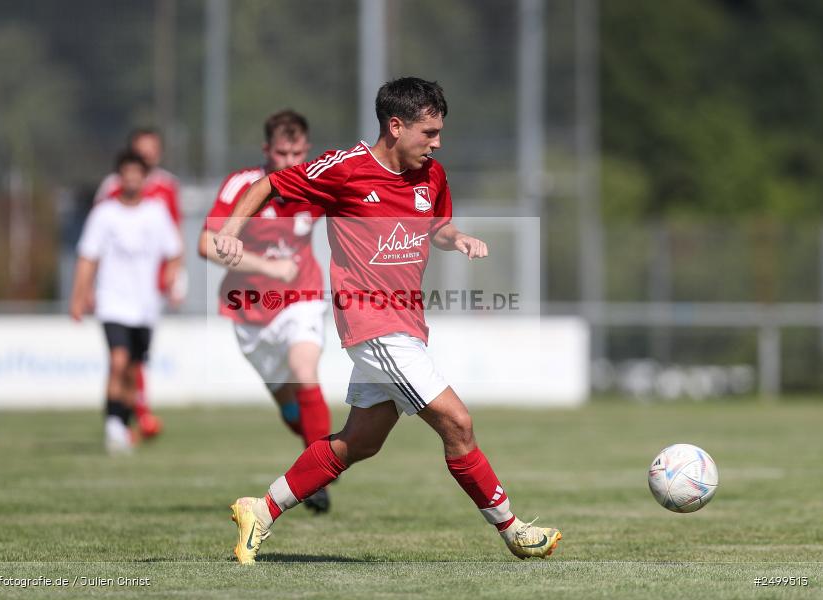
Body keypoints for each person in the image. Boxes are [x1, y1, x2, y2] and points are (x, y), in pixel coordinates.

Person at [213, 78, 562, 564]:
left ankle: (262, 509)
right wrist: (231, 231)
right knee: (457, 424)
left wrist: (456, 238)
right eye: (430, 132)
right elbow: (268, 183)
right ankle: (514, 530)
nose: (437, 142)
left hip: (407, 324)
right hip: (371, 323)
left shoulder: (432, 176)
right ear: (395, 126)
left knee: (359, 443)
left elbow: (436, 226)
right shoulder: (345, 169)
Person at [199, 110, 332, 513]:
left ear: (307, 149)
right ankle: (312, 450)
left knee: (304, 368)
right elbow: (207, 244)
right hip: (250, 311)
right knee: (288, 405)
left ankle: (320, 475)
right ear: (266, 150)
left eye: (297, 153)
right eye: (281, 153)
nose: (290, 162)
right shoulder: (243, 186)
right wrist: (266, 266)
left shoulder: (318, 184)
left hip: (302, 297)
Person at [71, 150, 183, 454]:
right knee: (118, 360)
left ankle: (123, 423)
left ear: (144, 178)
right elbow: (87, 257)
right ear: (119, 177)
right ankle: (113, 426)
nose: (132, 178)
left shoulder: (156, 212)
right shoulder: (104, 214)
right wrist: (79, 296)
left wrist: (172, 281)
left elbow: (174, 252)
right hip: (112, 302)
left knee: (133, 370)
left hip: (145, 306)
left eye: (138, 173)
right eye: (127, 173)